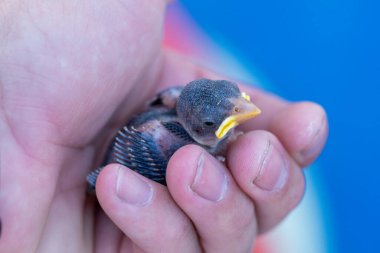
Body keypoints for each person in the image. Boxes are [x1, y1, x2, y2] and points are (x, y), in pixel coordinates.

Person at [0, 1, 328, 252]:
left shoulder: (176, 96)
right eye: (213, 122)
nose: (244, 107)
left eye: (237, 96)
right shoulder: (171, 141)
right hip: (114, 176)